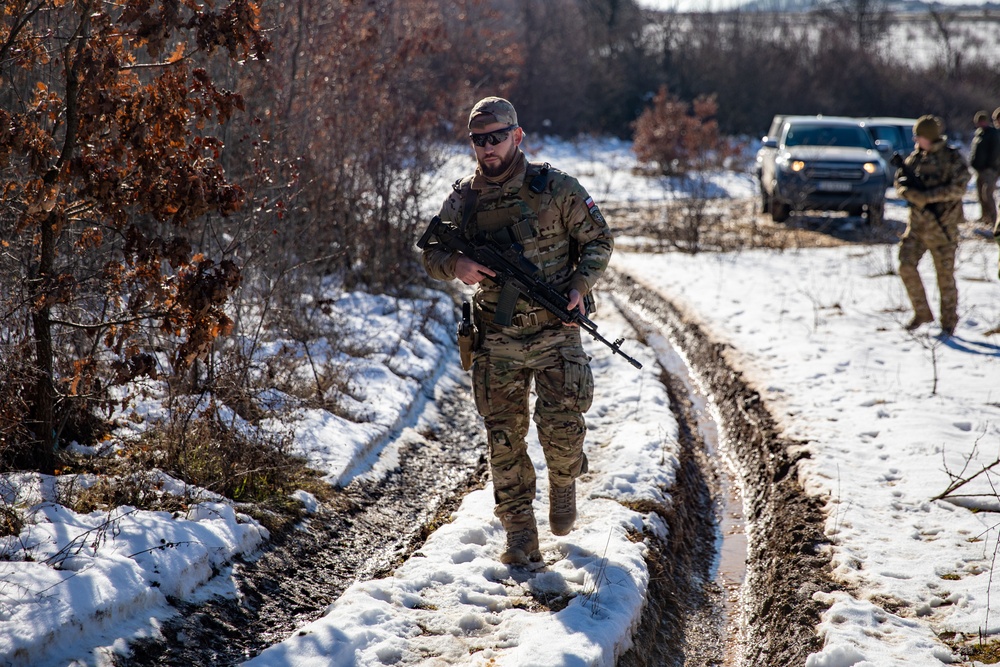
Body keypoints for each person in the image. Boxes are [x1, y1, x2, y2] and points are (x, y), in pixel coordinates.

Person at [420, 97, 614, 566]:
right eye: (478, 140)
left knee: (563, 432)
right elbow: (431, 253)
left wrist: (578, 285)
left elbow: (598, 240)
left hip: (556, 330)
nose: (488, 148)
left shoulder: (557, 188)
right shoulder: (463, 198)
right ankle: (520, 536)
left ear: (517, 136)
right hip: (496, 338)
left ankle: (564, 480)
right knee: (504, 439)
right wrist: (456, 264)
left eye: (497, 137)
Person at [894, 115, 970, 336]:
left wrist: (927, 197)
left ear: (929, 137)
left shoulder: (951, 158)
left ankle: (948, 322)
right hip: (917, 227)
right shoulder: (915, 158)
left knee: (944, 277)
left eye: (919, 136)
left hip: (942, 228)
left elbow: (959, 188)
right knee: (905, 266)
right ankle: (922, 313)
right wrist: (908, 193)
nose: (916, 140)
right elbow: (899, 180)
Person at [969, 110, 1000, 227]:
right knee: (980, 194)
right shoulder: (979, 134)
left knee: (987, 193)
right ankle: (985, 217)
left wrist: (991, 166)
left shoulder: (993, 134)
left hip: (990, 169)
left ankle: (994, 219)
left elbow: (995, 152)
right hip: (979, 170)